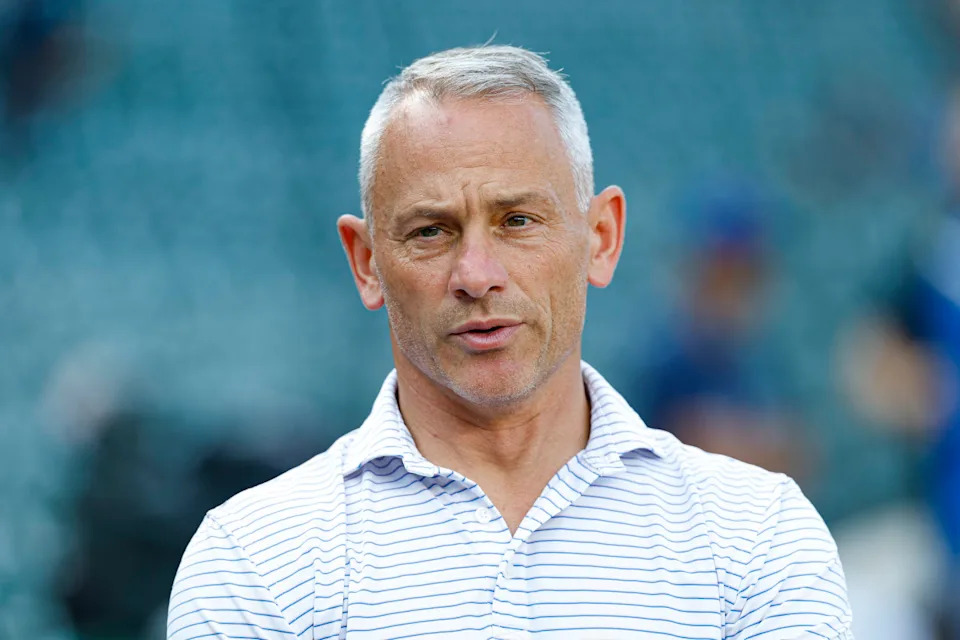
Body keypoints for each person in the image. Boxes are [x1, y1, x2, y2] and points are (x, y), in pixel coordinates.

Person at [167, 45, 853, 640]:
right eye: (431, 231)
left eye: (517, 220)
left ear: (601, 239)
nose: (477, 275)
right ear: (367, 261)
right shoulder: (254, 558)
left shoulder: (759, 537)